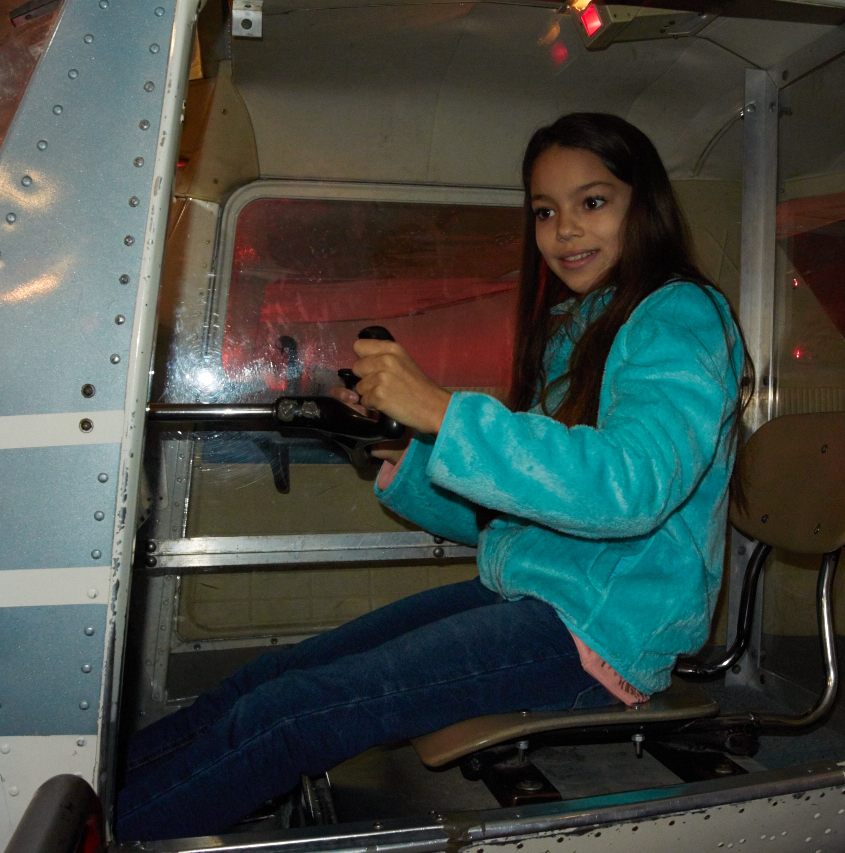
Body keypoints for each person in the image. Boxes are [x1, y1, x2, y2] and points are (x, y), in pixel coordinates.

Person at [115, 113, 750, 840]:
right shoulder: (581, 327)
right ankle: (96, 796)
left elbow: (629, 488)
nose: (565, 230)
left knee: (293, 715)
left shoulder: (679, 314)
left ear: (647, 204)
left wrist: (443, 412)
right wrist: (404, 455)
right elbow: (523, 515)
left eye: (593, 201)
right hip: (537, 592)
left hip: (601, 631)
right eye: (545, 211)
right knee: (263, 682)